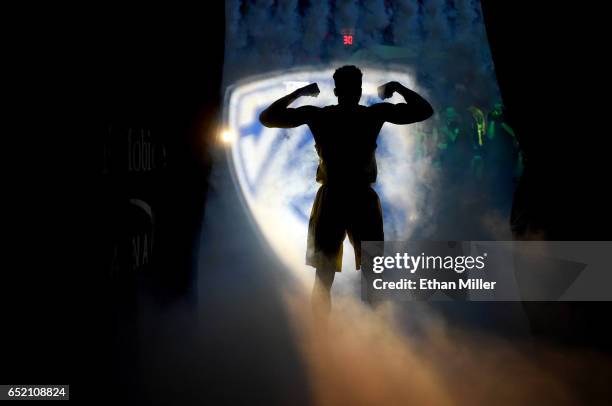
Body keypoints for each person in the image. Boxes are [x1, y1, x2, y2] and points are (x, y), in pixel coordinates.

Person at [259, 65, 433, 320]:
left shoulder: (321, 116)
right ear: (360, 91)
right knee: (371, 274)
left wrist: (299, 93)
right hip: (358, 198)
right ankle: (378, 335)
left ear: (337, 90)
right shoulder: (372, 115)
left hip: (335, 198)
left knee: (327, 275)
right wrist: (397, 87)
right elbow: (424, 110)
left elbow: (268, 117)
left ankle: (330, 334)